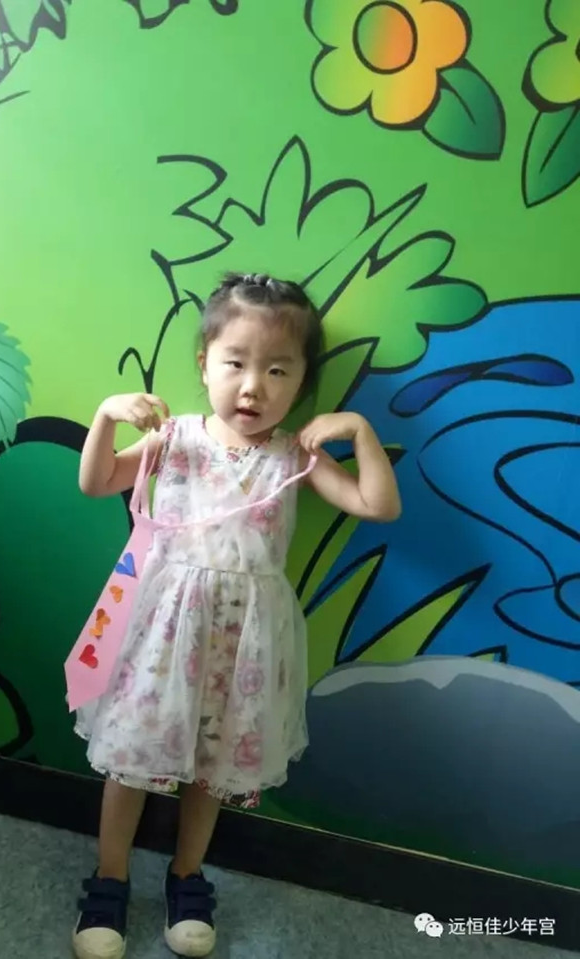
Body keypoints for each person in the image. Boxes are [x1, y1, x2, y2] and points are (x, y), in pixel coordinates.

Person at [72, 272, 401, 959]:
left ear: (302, 382)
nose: (253, 387)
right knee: (131, 759)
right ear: (205, 364)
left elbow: (378, 504)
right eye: (236, 364)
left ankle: (187, 875)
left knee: (211, 766)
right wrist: (105, 416)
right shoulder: (175, 438)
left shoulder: (295, 456)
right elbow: (97, 481)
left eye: (278, 370)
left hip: (244, 644)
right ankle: (109, 879)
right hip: (166, 634)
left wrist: (359, 430)